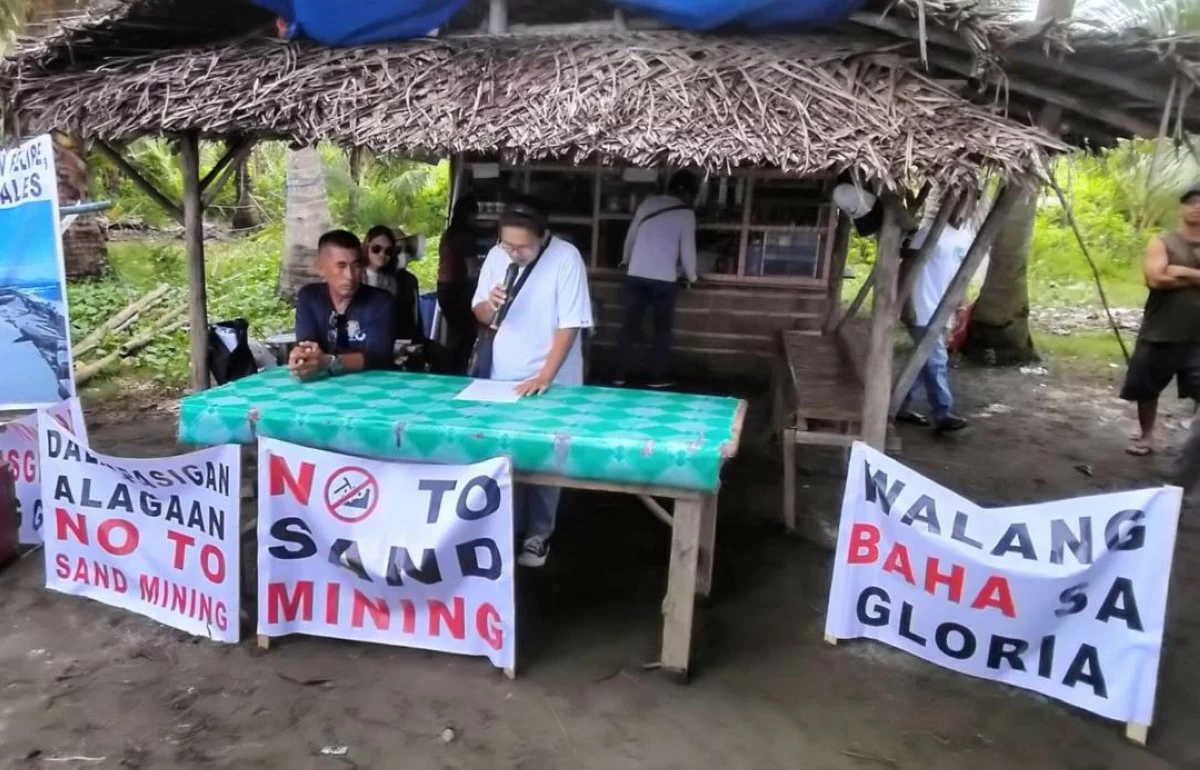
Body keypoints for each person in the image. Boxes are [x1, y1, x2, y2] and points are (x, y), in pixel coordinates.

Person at [472, 200, 594, 567]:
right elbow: (480, 312)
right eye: (507, 245)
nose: (513, 253)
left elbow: (570, 324)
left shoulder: (566, 258)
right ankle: (504, 530)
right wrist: (490, 304)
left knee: (545, 458)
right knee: (504, 455)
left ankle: (538, 534)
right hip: (503, 376)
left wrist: (544, 376)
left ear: (543, 237)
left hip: (552, 379)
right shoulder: (498, 256)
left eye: (522, 247)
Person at [1121, 184, 1200, 456]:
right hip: (1162, 328)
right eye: (1191, 202)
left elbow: (1166, 276)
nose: (1197, 207)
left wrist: (1180, 271)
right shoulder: (1163, 242)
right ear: (1182, 208)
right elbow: (1155, 279)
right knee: (1146, 387)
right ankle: (1146, 437)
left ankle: (1195, 445)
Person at [613, 172, 699, 389]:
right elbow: (687, 250)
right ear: (688, 193)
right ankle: (656, 377)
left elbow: (630, 237)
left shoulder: (648, 203)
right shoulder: (686, 214)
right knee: (661, 331)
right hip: (664, 280)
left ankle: (618, 375)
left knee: (629, 327)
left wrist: (625, 260)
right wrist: (692, 277)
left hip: (636, 275)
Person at [895, 197, 973, 433]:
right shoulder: (928, 232)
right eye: (958, 201)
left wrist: (961, 306)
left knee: (922, 362)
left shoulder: (964, 236)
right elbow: (905, 267)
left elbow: (960, 274)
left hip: (943, 308)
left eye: (967, 202)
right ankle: (942, 413)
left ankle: (899, 405)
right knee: (936, 360)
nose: (962, 208)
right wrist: (906, 304)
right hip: (922, 306)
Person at [290, 229, 397, 380]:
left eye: (356, 266)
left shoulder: (380, 302)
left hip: (373, 385)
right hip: (323, 385)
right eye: (341, 266)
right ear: (320, 268)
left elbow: (379, 356)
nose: (350, 276)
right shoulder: (310, 297)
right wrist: (302, 359)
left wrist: (329, 362)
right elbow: (307, 345)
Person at [439, 196, 481, 375]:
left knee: (455, 335)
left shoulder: (449, 233)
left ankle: (450, 370)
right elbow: (472, 271)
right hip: (459, 291)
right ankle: (456, 373)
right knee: (465, 337)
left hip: (444, 288)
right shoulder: (465, 236)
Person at [364, 224, 424, 344]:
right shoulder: (354, 274)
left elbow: (414, 320)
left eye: (389, 251)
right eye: (397, 250)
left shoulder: (407, 281)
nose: (382, 254)